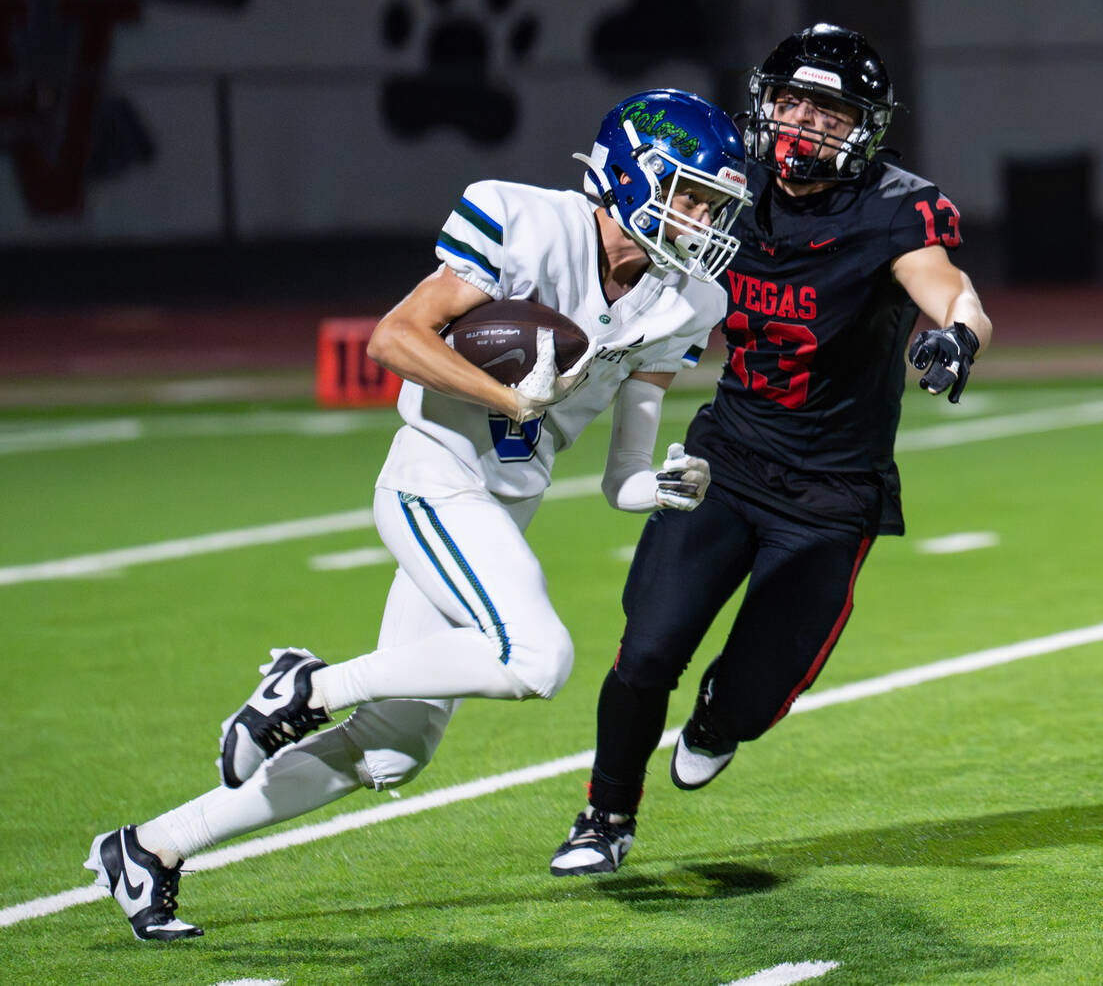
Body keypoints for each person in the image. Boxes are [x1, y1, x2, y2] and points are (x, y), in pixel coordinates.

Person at [84, 87, 752, 940]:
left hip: (505, 505)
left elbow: (618, 473)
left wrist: (658, 485)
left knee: (392, 751)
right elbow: (394, 337)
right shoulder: (523, 220)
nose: (701, 220)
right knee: (538, 655)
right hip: (432, 477)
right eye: (689, 195)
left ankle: (150, 847)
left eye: (714, 204)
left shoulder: (686, 301)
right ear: (628, 173)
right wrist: (505, 396)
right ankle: (306, 686)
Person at [549, 23, 993, 876]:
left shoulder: (894, 205)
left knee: (750, 699)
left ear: (862, 125)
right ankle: (604, 816)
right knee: (645, 649)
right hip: (729, 455)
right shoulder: (728, 185)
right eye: (789, 102)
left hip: (833, 491)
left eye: (827, 112)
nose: (802, 124)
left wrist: (957, 338)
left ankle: (719, 719)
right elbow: (624, 224)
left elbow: (953, 290)